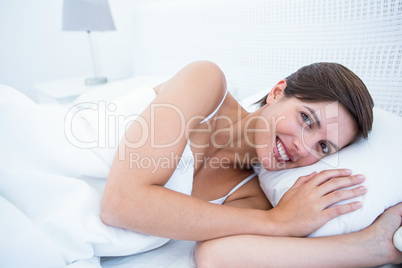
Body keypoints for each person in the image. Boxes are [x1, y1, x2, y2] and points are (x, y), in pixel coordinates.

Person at [100, 61, 402, 266]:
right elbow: (120, 203)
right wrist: (277, 222)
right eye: (306, 119)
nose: (302, 147)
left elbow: (216, 258)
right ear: (276, 92)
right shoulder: (206, 83)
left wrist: (369, 247)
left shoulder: (249, 197)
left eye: (323, 146)